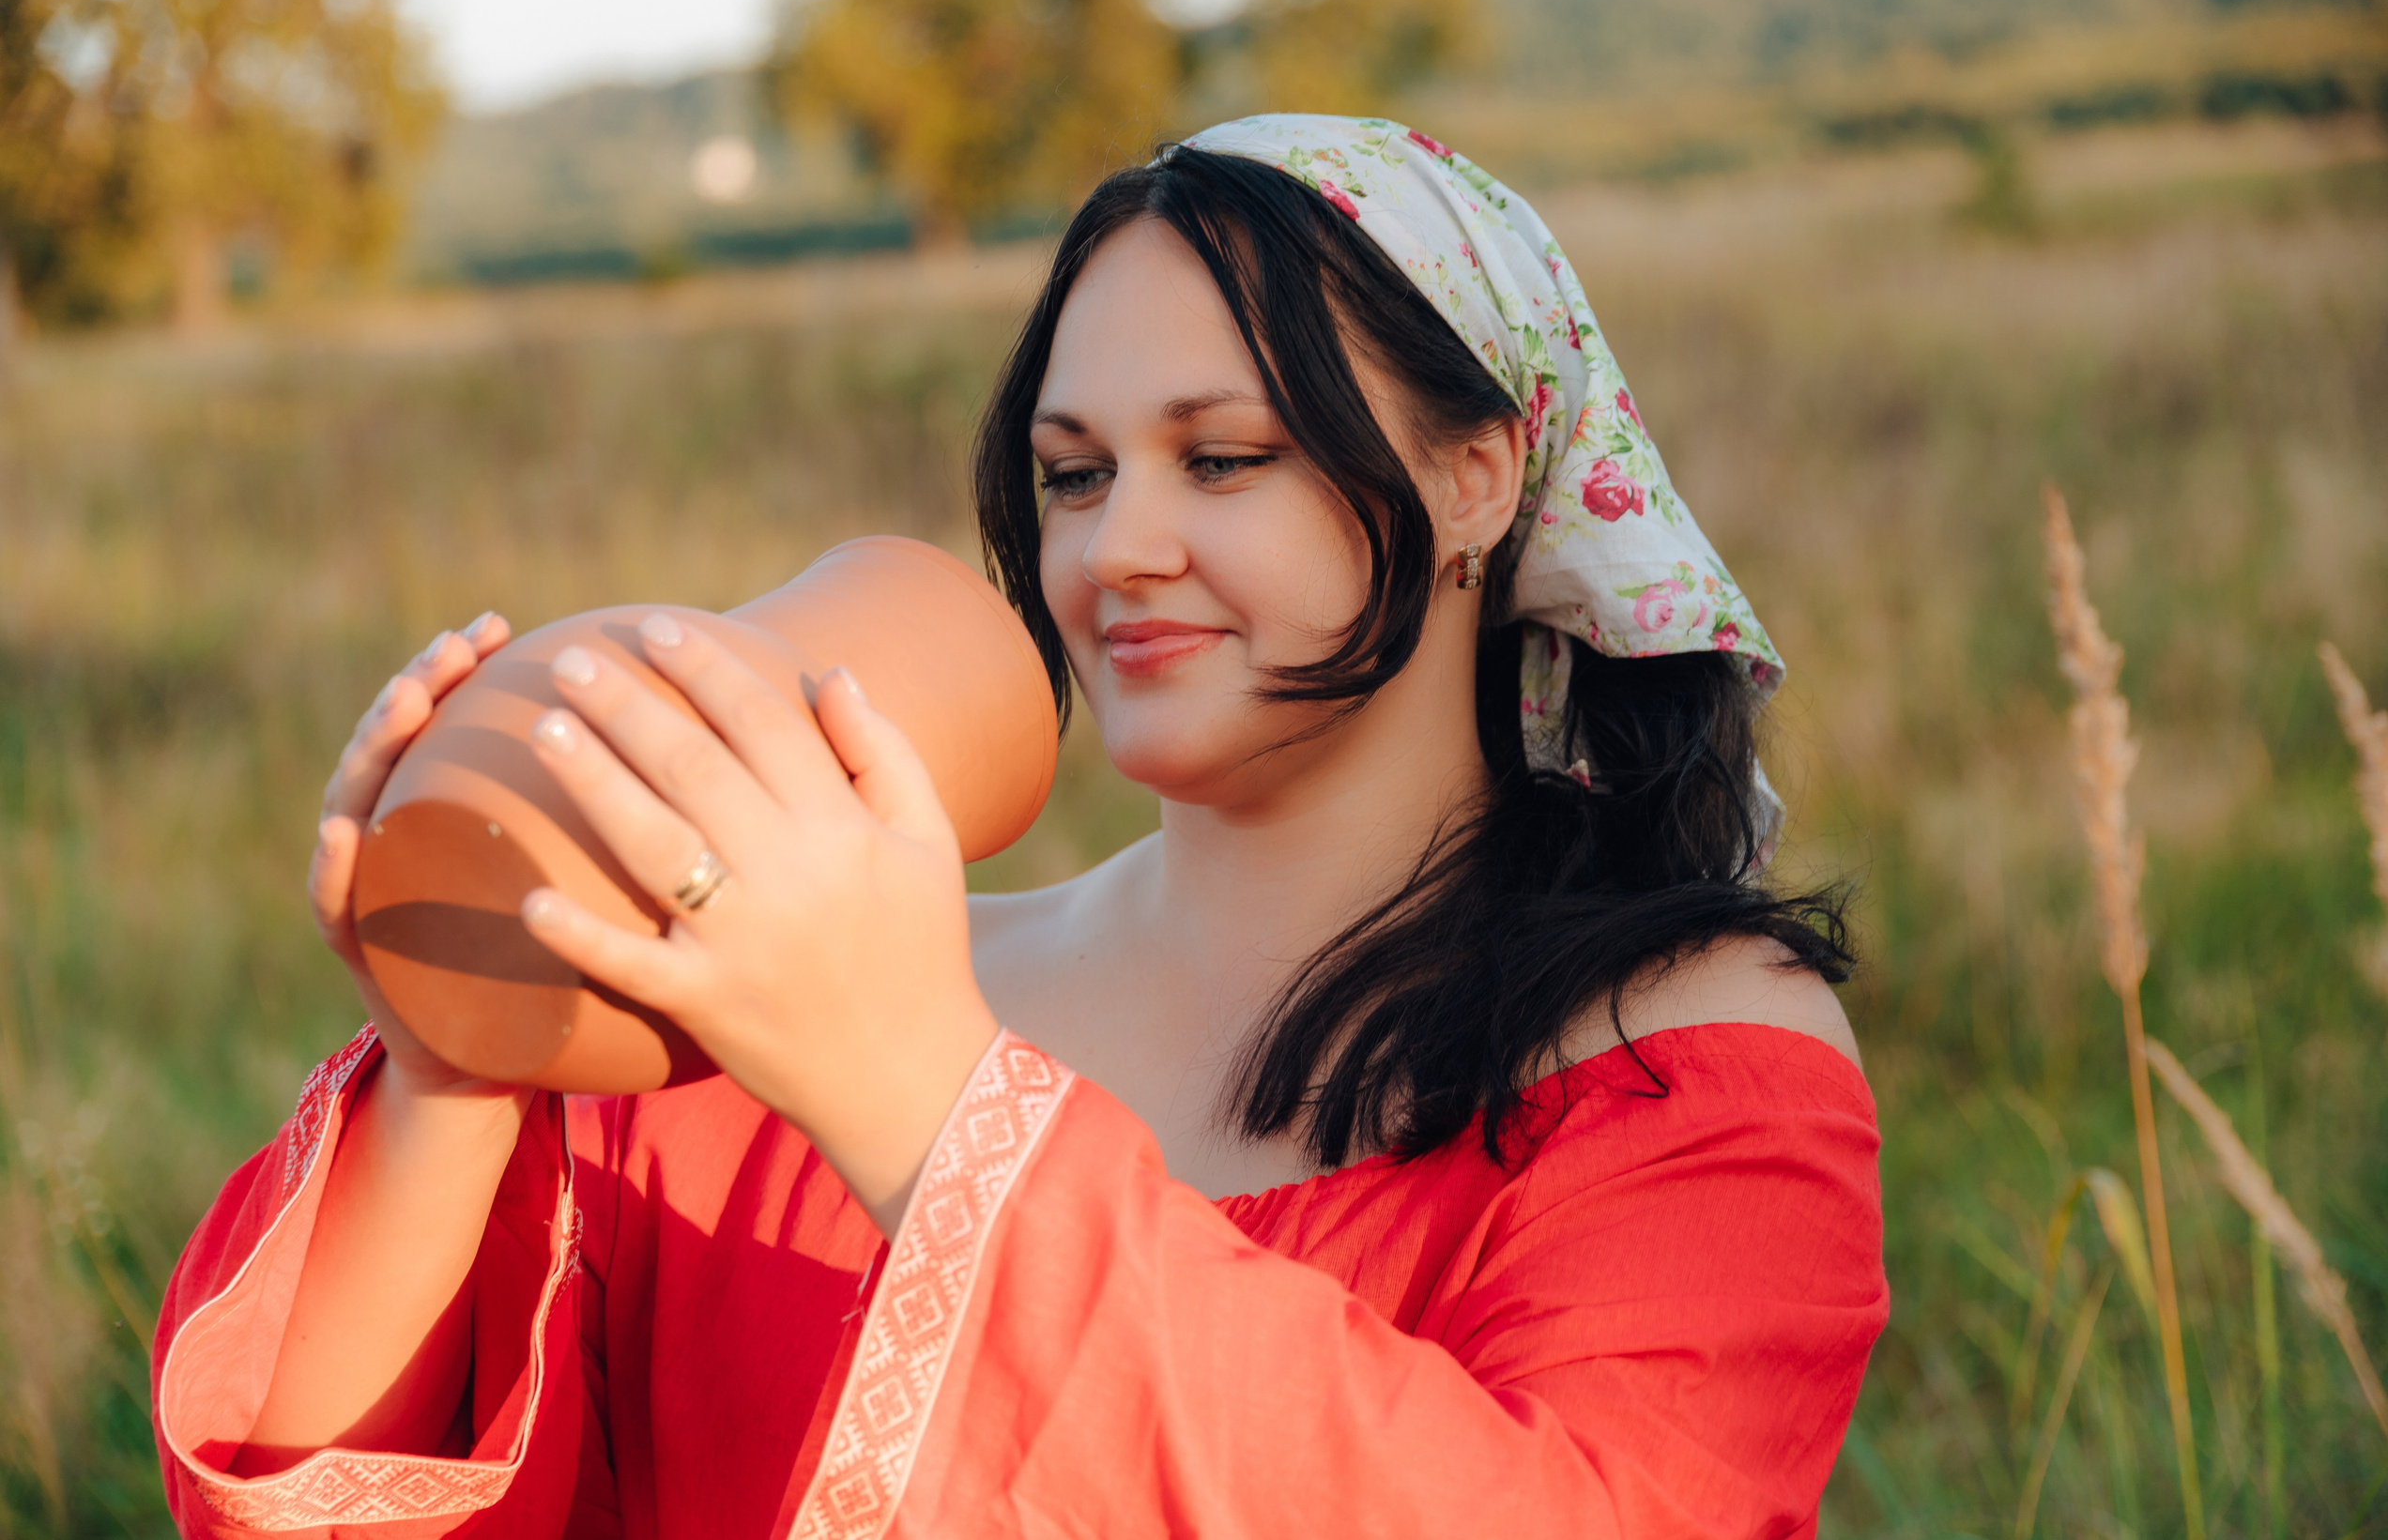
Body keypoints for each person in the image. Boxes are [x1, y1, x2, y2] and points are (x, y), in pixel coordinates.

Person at [151, 114, 1885, 1539]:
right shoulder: (760, 1002)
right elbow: (316, 1504)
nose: (1114, 548)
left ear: (1474, 479)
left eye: (1221, 461)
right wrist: (451, 1064)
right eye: (1074, 474)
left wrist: (929, 1111)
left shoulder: (1688, 1064)